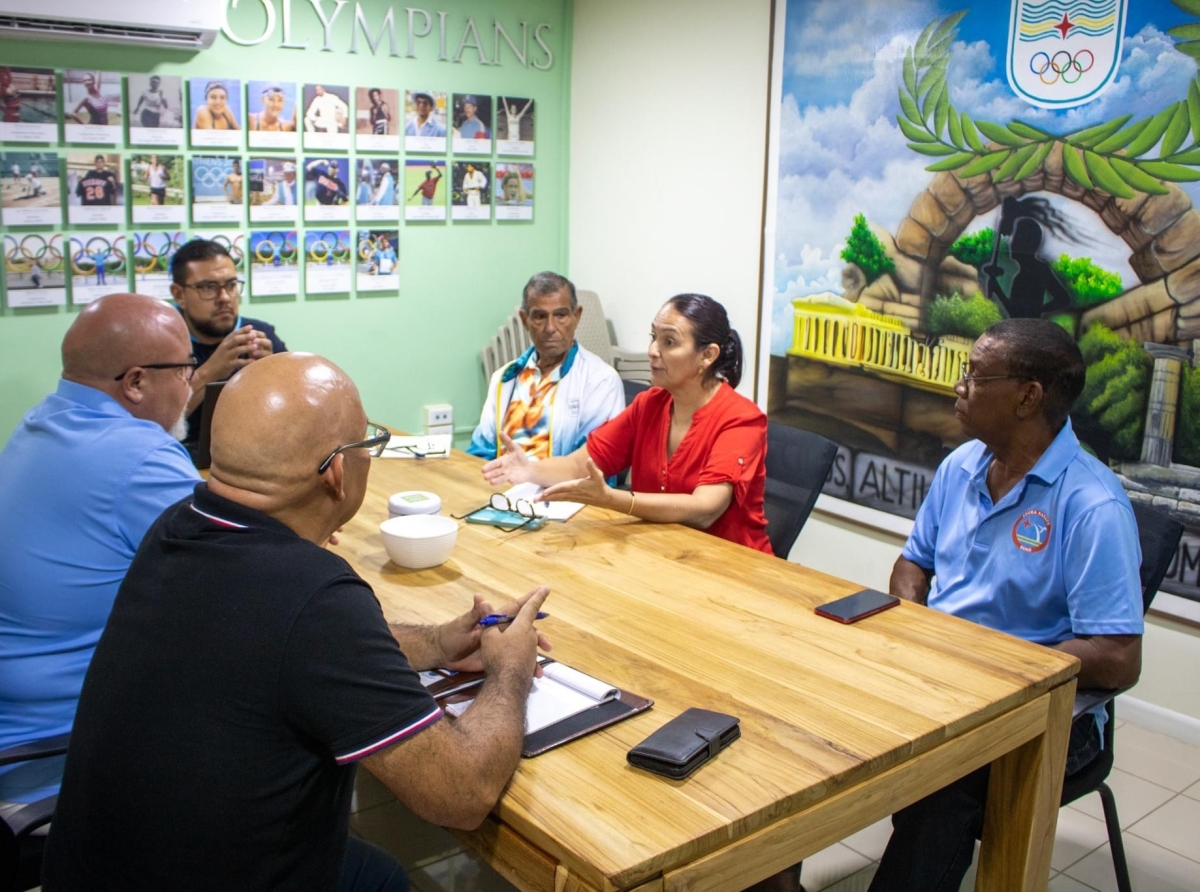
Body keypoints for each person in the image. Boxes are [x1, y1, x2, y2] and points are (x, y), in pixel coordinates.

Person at [42, 352, 551, 891]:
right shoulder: (315, 595)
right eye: (366, 443)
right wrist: (510, 671)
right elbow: (460, 795)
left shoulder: (179, 527)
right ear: (336, 471)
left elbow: (280, 648)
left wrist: (437, 643)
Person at [866, 318, 1143, 892]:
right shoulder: (961, 465)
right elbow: (913, 562)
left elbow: (1117, 656)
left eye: (973, 375)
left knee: (944, 784)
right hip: (939, 679)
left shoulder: (1093, 505)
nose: (958, 387)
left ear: (1027, 397)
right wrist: (914, 620)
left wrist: (995, 664)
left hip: (1044, 712)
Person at [0, 293, 200, 813]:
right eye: (185, 370)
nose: (192, 385)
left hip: (20, 723)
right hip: (62, 758)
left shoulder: (41, 423)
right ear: (135, 382)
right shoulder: (143, 457)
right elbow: (251, 583)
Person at [482, 292, 770, 552]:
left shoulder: (741, 419)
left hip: (731, 568)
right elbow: (578, 465)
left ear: (707, 355)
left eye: (669, 342)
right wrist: (529, 469)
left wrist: (612, 499)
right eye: (653, 337)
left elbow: (704, 509)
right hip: (663, 554)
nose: (653, 350)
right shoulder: (650, 404)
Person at [468, 272, 622, 463]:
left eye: (561, 315)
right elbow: (480, 452)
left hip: (559, 491)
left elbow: (591, 465)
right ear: (525, 320)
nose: (550, 327)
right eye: (540, 316)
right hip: (500, 489)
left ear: (577, 316)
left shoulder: (601, 380)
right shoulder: (504, 378)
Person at [169, 238, 285, 443]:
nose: (224, 297)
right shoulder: (163, 344)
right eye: (208, 287)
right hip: (182, 462)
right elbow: (153, 426)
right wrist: (209, 373)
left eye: (231, 285)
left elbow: (294, 415)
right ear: (179, 295)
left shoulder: (259, 335)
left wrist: (272, 377)